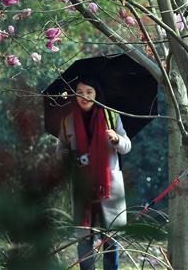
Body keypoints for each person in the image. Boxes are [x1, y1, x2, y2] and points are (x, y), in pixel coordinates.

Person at [57, 77, 131, 270]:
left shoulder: (111, 116)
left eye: (89, 92)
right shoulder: (68, 120)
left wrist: (116, 139)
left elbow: (127, 146)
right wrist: (64, 155)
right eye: (80, 92)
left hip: (107, 186)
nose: (84, 96)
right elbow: (60, 150)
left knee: (110, 237)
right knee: (84, 238)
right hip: (82, 186)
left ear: (96, 93)